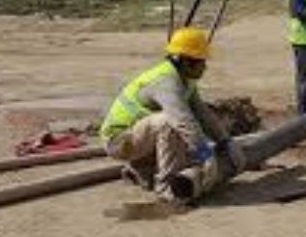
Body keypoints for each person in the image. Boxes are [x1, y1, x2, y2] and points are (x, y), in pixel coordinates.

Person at [99, 27, 245, 204]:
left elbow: (203, 114)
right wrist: (205, 154)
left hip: (139, 138)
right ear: (185, 61)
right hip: (120, 141)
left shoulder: (185, 79)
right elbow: (182, 121)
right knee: (170, 123)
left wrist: (225, 142)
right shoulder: (166, 81)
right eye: (201, 61)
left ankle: (141, 170)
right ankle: (166, 188)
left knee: (188, 136)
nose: (205, 67)